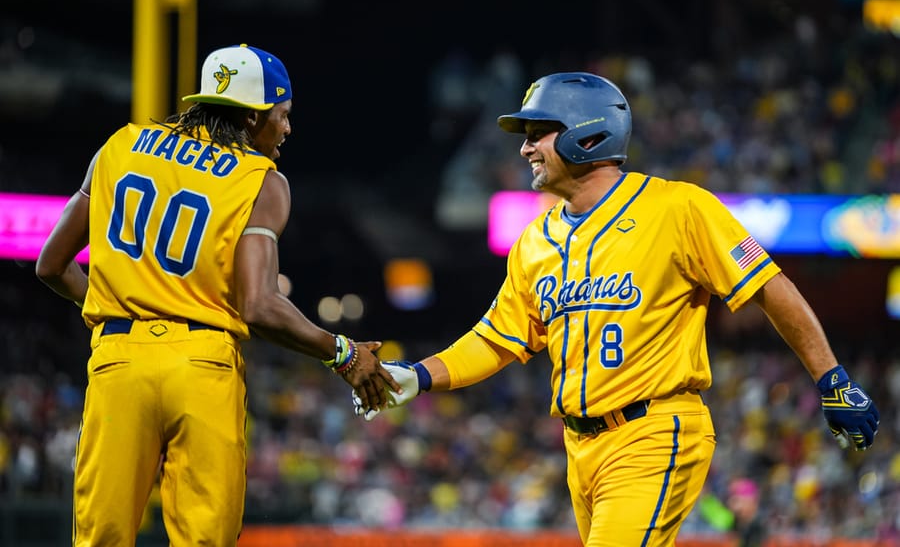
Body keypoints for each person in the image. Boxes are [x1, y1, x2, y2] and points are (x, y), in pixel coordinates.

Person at [354, 72, 880, 546]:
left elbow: (771, 286)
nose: (526, 149)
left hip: (655, 431)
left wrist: (831, 379)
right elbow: (496, 338)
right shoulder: (535, 240)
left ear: (587, 134)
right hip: (580, 450)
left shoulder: (678, 208)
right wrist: (417, 377)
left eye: (538, 132)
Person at [35, 43, 401, 546]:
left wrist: (107, 309)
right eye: (283, 115)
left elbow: (51, 265)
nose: (288, 128)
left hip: (118, 360)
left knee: (102, 538)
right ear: (253, 118)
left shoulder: (119, 146)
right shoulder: (260, 181)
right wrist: (343, 353)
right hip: (203, 366)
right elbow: (259, 305)